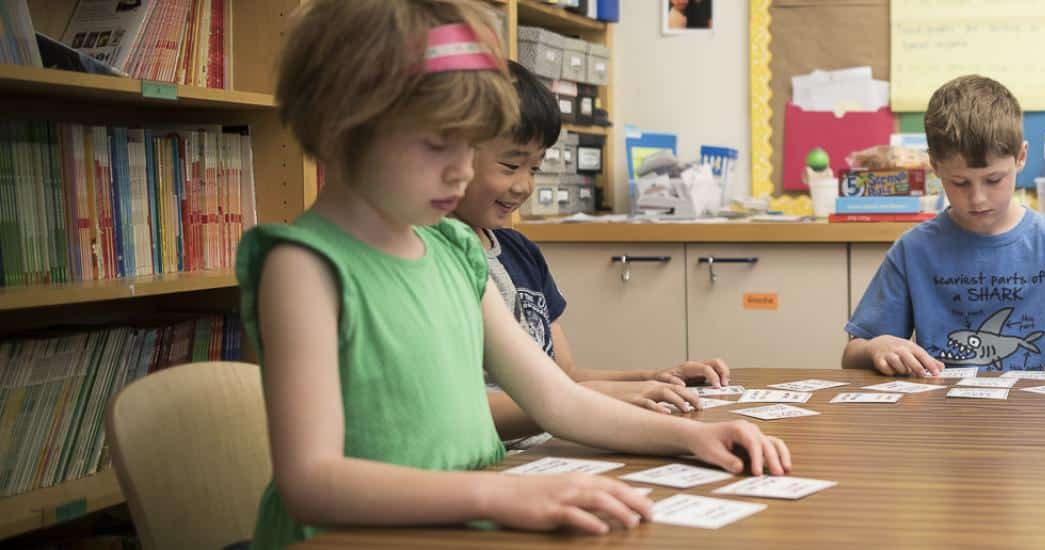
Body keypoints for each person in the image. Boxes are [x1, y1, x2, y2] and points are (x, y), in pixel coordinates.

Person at [241, 2, 790, 546]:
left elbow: (557, 400)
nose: (462, 169)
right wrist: (503, 496)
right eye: (439, 144)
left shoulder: (454, 249)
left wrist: (693, 437)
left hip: (460, 525)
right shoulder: (304, 268)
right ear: (344, 129)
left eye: (469, 145)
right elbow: (311, 483)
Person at [451, 61, 733, 448]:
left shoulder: (519, 252)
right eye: (511, 165)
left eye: (536, 167)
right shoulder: (443, 257)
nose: (523, 186)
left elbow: (563, 375)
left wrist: (654, 377)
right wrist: (590, 399)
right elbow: (461, 410)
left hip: (553, 440)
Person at [843, 75, 1045, 378]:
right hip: (941, 417)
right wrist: (876, 347)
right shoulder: (913, 250)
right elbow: (852, 353)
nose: (977, 199)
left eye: (994, 180)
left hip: (1035, 417)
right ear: (935, 167)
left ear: (1021, 157)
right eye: (959, 182)